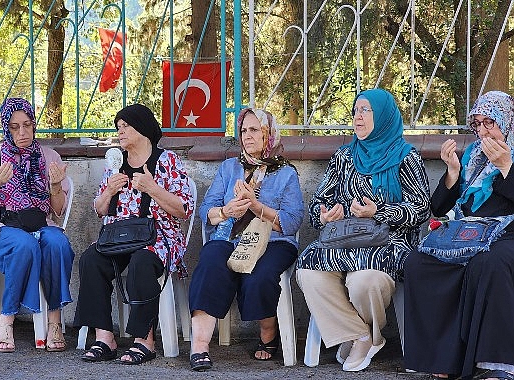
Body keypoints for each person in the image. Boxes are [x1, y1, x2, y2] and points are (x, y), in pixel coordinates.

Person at [296, 88, 431, 372]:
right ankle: (360, 335)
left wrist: (378, 212)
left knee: (363, 281)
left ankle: (360, 335)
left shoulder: (406, 157)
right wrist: (324, 214)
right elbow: (319, 200)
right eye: (356, 110)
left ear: (382, 117)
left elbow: (420, 208)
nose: (358, 116)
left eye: (366, 110)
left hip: (389, 241)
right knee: (308, 271)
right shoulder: (344, 157)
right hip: (345, 240)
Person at [404, 91, 514, 380]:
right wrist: (452, 172)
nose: (483, 131)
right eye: (477, 124)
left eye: (489, 122)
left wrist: (506, 167)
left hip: (508, 236)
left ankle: (496, 364)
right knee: (420, 262)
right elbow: (439, 206)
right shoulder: (473, 156)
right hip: (469, 234)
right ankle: (442, 360)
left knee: (489, 263)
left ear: (506, 120)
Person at [75, 104, 194, 365]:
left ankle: (145, 340)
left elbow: (184, 209)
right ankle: (105, 338)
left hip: (158, 235)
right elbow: (99, 209)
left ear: (143, 128)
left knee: (142, 260)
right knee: (91, 259)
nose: (120, 132)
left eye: (126, 126)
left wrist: (152, 188)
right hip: (118, 235)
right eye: (118, 127)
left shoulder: (167, 161)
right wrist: (108, 191)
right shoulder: (116, 163)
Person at [188, 107, 303, 371]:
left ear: (268, 134)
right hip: (228, 237)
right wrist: (226, 211)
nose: (247, 136)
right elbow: (206, 211)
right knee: (209, 264)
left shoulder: (286, 173)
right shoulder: (230, 168)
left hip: (273, 241)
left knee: (259, 276)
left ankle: (268, 331)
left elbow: (292, 221)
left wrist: (255, 205)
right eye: (243, 131)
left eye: (254, 130)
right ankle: (200, 345)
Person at [0, 97, 74, 353]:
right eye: (15, 127)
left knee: (58, 242)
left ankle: (55, 322)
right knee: (24, 244)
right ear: (6, 128)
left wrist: (56, 186)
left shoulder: (48, 156)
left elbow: (58, 211)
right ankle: (6, 321)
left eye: (27, 125)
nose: (23, 132)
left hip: (38, 224)